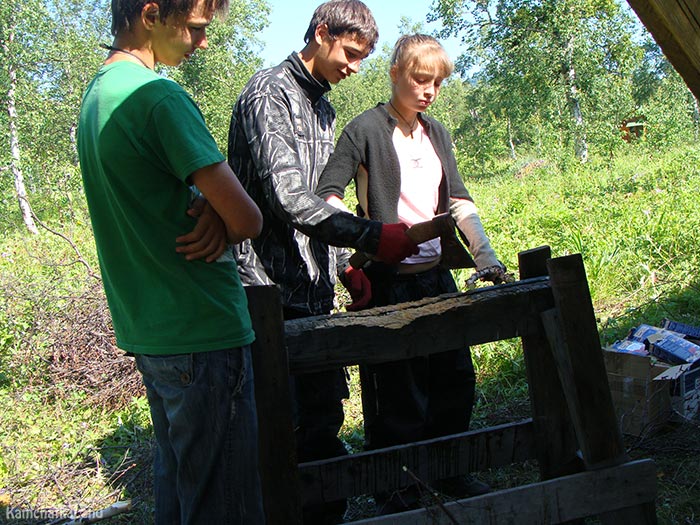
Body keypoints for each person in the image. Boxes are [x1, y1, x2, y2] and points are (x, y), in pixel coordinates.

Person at [227, 1, 418, 523]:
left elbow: (321, 198)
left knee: (321, 419)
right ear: (320, 32)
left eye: (364, 58)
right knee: (281, 431)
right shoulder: (268, 94)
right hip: (266, 293)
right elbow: (288, 199)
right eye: (351, 53)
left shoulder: (323, 109)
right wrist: (373, 236)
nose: (356, 67)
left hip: (313, 293)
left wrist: (342, 266)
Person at [77, 1, 266, 523]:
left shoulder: (96, 98)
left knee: (181, 491)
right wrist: (224, 213)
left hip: (150, 330)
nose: (203, 42)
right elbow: (249, 221)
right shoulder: (158, 96)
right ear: (152, 13)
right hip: (201, 329)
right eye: (197, 28)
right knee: (225, 504)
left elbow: (152, 199)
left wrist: (209, 206)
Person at [316, 33, 509, 514]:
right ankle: (397, 490)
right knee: (397, 390)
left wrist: (484, 255)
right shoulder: (364, 129)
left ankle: (451, 473)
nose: (428, 91)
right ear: (396, 73)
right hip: (389, 284)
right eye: (420, 79)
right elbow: (327, 196)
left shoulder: (436, 132)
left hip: (437, 276)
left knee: (454, 378)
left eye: (437, 83)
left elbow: (459, 201)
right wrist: (352, 253)